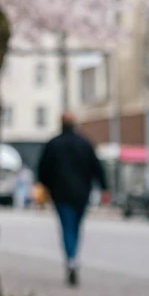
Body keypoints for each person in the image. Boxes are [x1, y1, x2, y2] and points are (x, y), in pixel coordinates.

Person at [37, 112, 109, 287]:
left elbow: (43, 169)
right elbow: (97, 167)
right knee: (76, 226)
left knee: (67, 226)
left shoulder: (53, 144)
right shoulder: (85, 143)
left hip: (60, 193)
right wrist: (104, 188)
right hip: (82, 193)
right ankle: (73, 256)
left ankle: (71, 258)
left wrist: (45, 187)